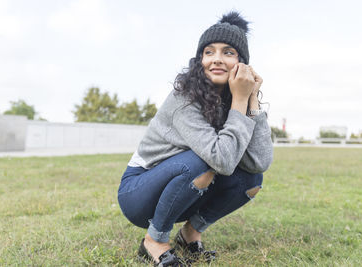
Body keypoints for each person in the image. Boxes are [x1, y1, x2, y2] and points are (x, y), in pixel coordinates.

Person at [117, 11, 273, 266]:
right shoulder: (184, 98)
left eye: (228, 52)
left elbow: (259, 162)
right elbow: (221, 160)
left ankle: (190, 233)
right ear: (199, 59)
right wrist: (241, 100)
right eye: (208, 52)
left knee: (252, 179)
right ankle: (154, 241)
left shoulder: (234, 98)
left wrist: (251, 99)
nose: (216, 60)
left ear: (243, 64)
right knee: (200, 162)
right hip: (139, 192)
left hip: (186, 190)